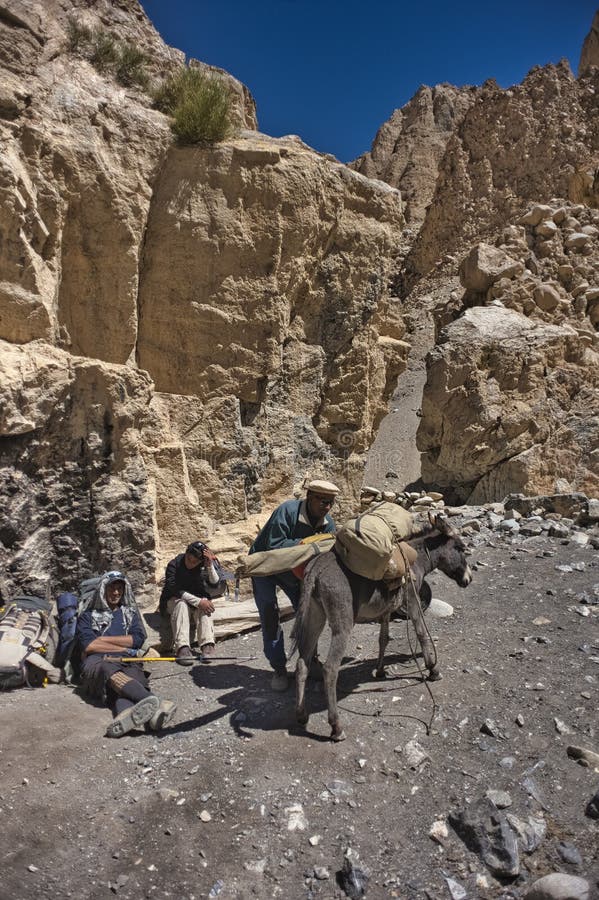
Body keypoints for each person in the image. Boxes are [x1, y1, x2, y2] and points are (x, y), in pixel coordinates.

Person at [250, 479, 339, 691]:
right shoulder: (287, 511)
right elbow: (275, 546)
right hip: (265, 565)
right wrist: (308, 545)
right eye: (322, 501)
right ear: (309, 497)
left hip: (294, 573)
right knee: (270, 614)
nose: (326, 507)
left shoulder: (328, 524)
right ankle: (279, 668)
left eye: (330, 502)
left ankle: (309, 660)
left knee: (309, 614)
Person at [77, 571, 177, 738]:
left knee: (130, 682)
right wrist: (121, 644)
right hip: (97, 662)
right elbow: (89, 645)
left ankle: (124, 717)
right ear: (102, 589)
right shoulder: (87, 616)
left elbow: (137, 640)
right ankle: (157, 703)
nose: (116, 593)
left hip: (129, 661)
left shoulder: (129, 614)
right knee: (108, 668)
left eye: (119, 589)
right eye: (111, 588)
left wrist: (103, 639)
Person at [159, 541, 223, 666]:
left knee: (205, 607)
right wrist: (199, 602)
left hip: (195, 600)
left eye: (195, 562)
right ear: (186, 553)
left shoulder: (202, 566)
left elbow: (215, 583)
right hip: (174, 600)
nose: (190, 563)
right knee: (181, 604)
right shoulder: (174, 565)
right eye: (189, 559)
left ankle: (207, 644)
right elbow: (174, 589)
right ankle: (182, 647)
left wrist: (209, 565)